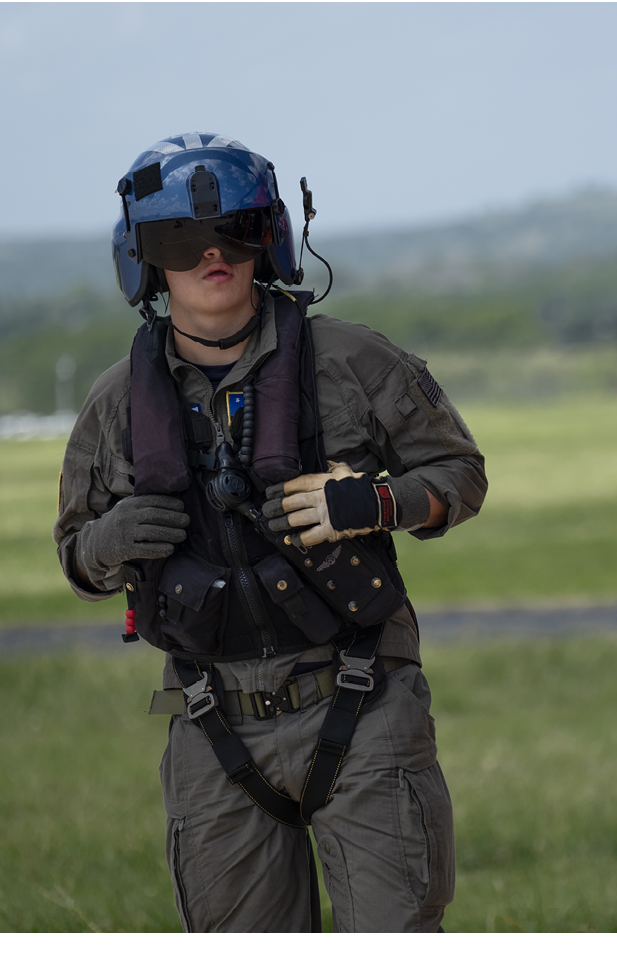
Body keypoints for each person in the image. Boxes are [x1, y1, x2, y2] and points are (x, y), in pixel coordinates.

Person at [53, 132, 487, 932]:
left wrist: (375, 504)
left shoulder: (354, 361)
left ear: (273, 238)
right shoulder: (117, 402)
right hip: (211, 719)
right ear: (144, 258)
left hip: (361, 701)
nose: (212, 255)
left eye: (237, 231)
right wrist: (110, 540)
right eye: (182, 239)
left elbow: (459, 478)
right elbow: (77, 557)